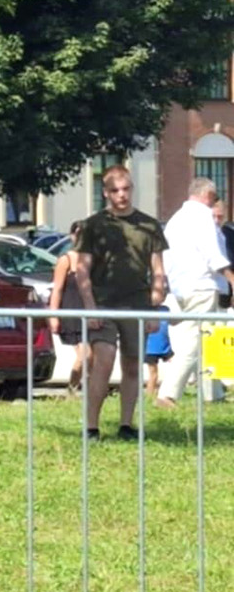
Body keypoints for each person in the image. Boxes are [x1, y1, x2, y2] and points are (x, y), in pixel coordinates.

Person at [68, 165, 168, 440]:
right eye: (115, 190)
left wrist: (154, 309)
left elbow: (158, 271)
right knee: (104, 360)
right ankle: (91, 426)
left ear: (131, 189)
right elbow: (82, 270)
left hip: (137, 304)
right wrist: (90, 307)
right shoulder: (94, 225)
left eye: (125, 189)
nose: (121, 195)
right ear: (106, 193)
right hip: (103, 304)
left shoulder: (148, 225)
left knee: (133, 364)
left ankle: (126, 424)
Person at [157, 178, 233, 406]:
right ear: (208, 194)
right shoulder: (202, 217)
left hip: (183, 287)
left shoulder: (175, 220)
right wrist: (231, 277)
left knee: (207, 340)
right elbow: (213, 254)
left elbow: (166, 257)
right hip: (203, 284)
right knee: (193, 339)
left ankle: (213, 392)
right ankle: (167, 393)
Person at [47, 220, 88, 397]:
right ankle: (72, 389)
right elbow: (57, 289)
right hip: (71, 313)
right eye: (77, 234)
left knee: (90, 356)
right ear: (72, 236)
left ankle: (84, 390)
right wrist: (53, 316)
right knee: (84, 356)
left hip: (89, 313)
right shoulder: (65, 260)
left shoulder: (91, 259)